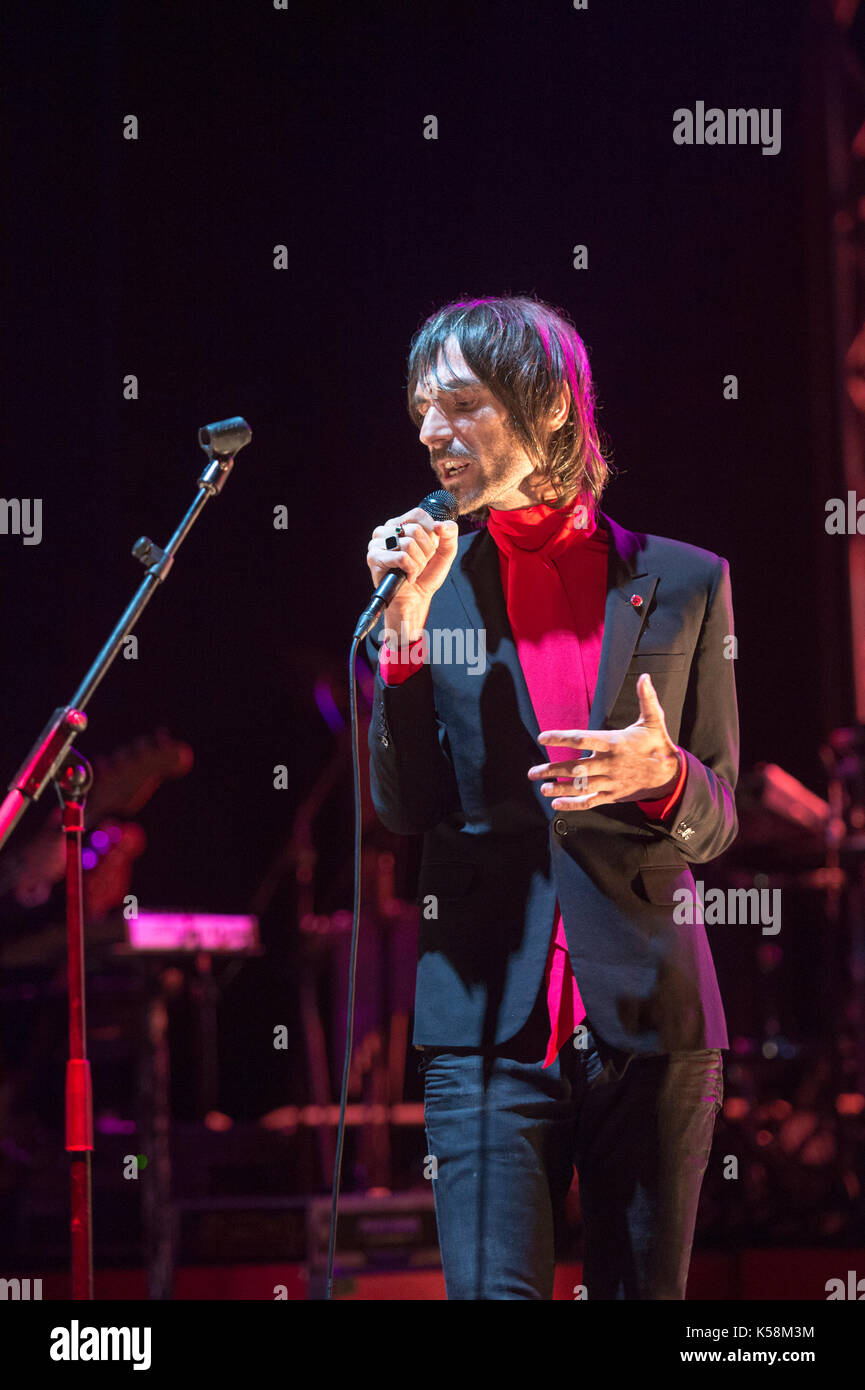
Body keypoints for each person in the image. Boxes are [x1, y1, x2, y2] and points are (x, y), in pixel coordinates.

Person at [364, 295, 738, 1300]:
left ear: (553, 412)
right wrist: (400, 637)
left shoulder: (686, 582)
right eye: (422, 412)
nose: (434, 433)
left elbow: (719, 814)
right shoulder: (430, 587)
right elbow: (404, 807)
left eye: (462, 405)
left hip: (651, 1017)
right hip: (486, 1022)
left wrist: (662, 776)